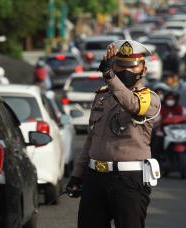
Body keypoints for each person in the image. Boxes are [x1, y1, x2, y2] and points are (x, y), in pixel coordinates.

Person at [66, 40, 161, 228]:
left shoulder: (149, 98)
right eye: (119, 65)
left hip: (128, 179)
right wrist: (77, 175)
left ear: (144, 69)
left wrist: (109, 75)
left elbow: (131, 104)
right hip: (95, 176)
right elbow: (91, 140)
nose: (125, 71)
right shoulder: (102, 96)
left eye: (131, 67)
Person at [157, 90, 186, 177]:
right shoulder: (160, 109)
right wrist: (158, 122)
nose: (170, 101)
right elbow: (155, 119)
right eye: (168, 99)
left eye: (172, 99)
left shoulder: (181, 108)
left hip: (180, 134)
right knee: (156, 148)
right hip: (163, 133)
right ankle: (156, 169)